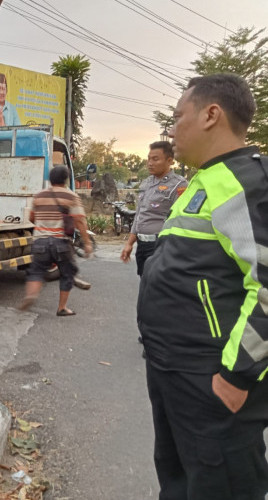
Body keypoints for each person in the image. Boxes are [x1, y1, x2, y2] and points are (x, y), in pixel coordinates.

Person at [138, 74, 268, 499]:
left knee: (220, 485)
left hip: (212, 379)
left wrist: (237, 376)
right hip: (174, 372)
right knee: (178, 480)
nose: (172, 129)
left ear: (212, 115)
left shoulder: (246, 181)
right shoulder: (202, 180)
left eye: (178, 117)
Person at [18, 165, 92, 315]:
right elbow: (79, 221)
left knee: (36, 271)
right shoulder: (71, 196)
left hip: (40, 241)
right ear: (65, 179)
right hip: (61, 242)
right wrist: (87, 242)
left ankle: (31, 294)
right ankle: (62, 308)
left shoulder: (39, 195)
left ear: (50, 179)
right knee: (67, 273)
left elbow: (32, 217)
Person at [120, 141, 187, 275]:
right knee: (145, 285)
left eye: (155, 159)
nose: (150, 163)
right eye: (149, 159)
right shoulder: (147, 183)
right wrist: (129, 243)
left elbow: (181, 220)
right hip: (142, 245)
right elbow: (139, 215)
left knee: (159, 288)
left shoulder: (179, 185)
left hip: (161, 246)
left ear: (170, 161)